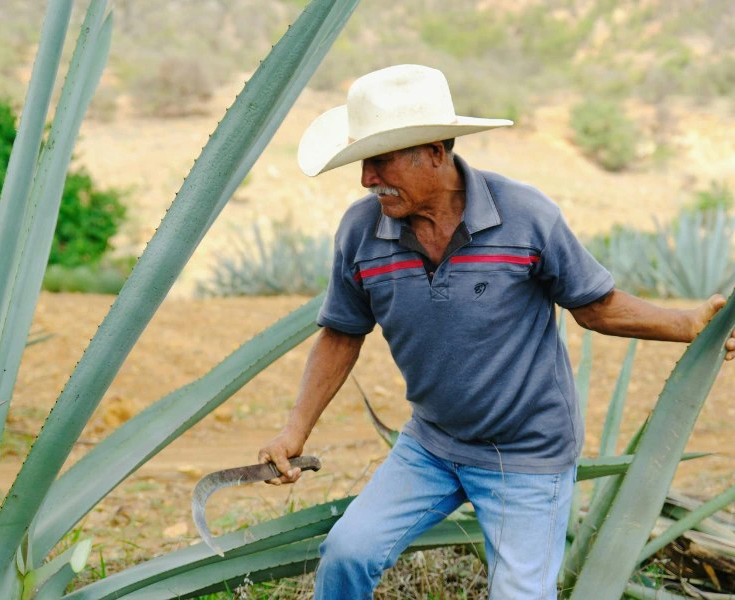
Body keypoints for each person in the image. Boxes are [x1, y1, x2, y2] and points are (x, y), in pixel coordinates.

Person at [257, 64, 735, 599]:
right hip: (431, 444)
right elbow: (342, 334)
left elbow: (595, 306)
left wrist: (688, 325)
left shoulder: (525, 216)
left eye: (381, 160)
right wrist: (294, 431)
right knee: (348, 553)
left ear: (436, 151)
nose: (367, 178)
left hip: (527, 452)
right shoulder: (361, 230)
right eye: (364, 162)